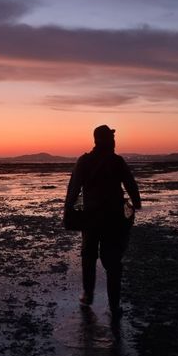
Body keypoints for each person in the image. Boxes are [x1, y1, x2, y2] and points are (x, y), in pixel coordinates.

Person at [65, 125, 141, 318]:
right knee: (113, 262)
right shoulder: (117, 161)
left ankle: (88, 295)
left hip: (91, 218)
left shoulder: (85, 161)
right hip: (113, 219)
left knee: (89, 256)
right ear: (105, 140)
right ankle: (114, 306)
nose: (115, 141)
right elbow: (131, 184)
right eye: (112, 138)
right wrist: (136, 203)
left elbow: (73, 188)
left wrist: (69, 209)